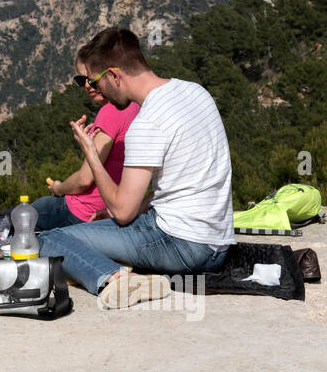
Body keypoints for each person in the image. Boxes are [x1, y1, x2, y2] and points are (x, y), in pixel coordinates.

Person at [37, 27, 235, 309]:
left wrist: (91, 154)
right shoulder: (195, 92)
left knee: (49, 240)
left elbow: (122, 211)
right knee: (107, 227)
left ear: (114, 75)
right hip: (219, 244)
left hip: (183, 246)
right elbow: (184, 186)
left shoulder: (148, 122)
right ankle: (126, 267)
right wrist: (129, 211)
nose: (96, 89)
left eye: (96, 81)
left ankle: (116, 279)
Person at [32, 49, 141, 230]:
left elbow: (84, 179)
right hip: (114, 211)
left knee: (14, 218)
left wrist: (59, 188)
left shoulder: (110, 111)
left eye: (92, 78)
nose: (87, 85)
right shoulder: (136, 106)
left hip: (83, 212)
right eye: (82, 80)